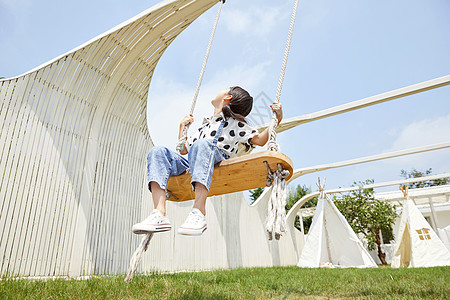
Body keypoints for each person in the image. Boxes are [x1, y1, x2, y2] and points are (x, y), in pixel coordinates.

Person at [132, 86, 283, 236]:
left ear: (227, 97)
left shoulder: (236, 124)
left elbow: (260, 140)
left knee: (202, 145)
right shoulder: (206, 125)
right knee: (157, 152)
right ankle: (159, 212)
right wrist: (181, 127)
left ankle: (198, 211)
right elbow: (184, 150)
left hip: (218, 159)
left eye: (225, 89)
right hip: (196, 162)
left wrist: (277, 119)